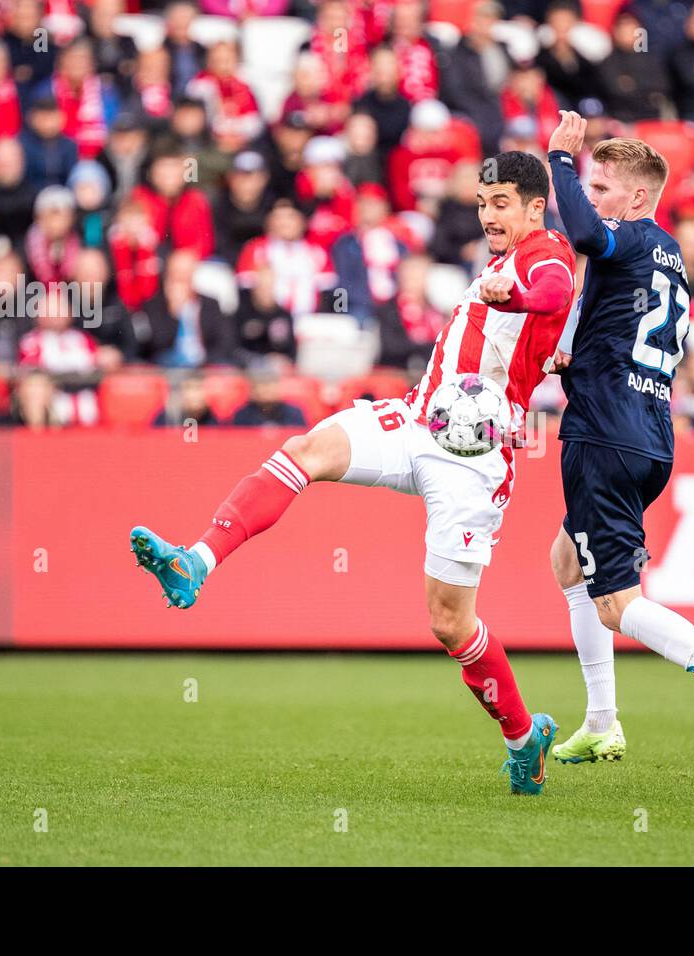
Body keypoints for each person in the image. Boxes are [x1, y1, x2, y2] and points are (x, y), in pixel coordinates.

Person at [129, 152, 576, 796]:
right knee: (307, 449)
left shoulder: (546, 253)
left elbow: (556, 291)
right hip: (419, 417)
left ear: (535, 207)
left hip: (474, 459)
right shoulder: (505, 260)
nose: (488, 215)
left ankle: (521, 735)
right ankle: (196, 561)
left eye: (501, 202)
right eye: (482, 203)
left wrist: (520, 295)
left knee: (450, 623)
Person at [545, 112, 694, 767]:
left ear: (638, 198)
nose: (590, 197)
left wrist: (561, 163)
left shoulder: (621, 238)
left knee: (618, 604)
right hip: (650, 435)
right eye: (589, 184)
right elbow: (623, 319)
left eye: (602, 187)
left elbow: (586, 234)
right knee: (568, 561)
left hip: (603, 434)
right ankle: (601, 721)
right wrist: (577, 353)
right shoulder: (668, 253)